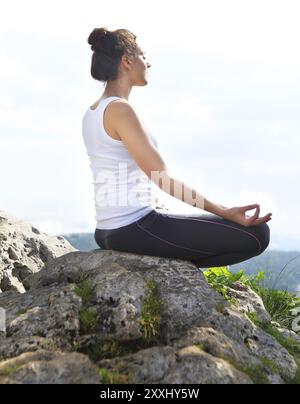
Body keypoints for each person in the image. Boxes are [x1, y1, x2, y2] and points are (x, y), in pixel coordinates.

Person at [82, 27, 272, 268]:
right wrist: (224, 211)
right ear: (127, 61)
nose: (148, 63)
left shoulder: (93, 112)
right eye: (143, 55)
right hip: (134, 227)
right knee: (257, 236)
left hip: (108, 229)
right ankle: (176, 270)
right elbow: (162, 178)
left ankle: (174, 267)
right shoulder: (121, 110)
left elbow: (120, 174)